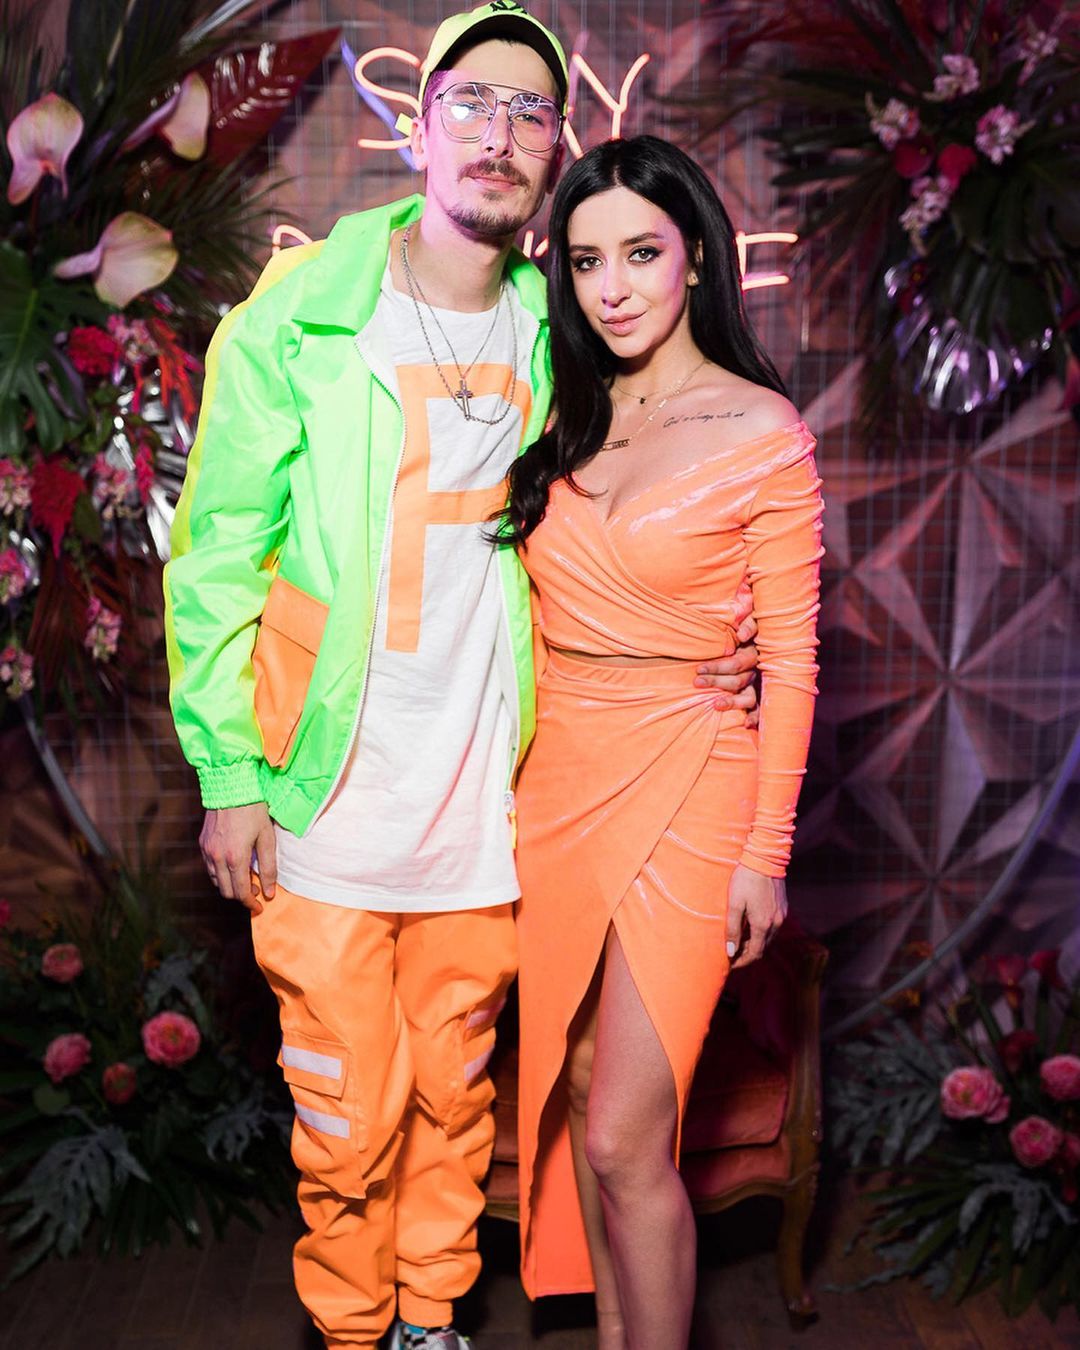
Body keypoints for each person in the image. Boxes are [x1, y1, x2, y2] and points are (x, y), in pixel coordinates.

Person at [164, 8, 758, 1347]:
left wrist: (716, 650)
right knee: (345, 1108)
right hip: (321, 800)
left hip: (496, 812)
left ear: (557, 148)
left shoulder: (569, 334)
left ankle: (430, 1318)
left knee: (456, 1098)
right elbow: (215, 560)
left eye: (532, 111)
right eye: (474, 103)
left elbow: (661, 503)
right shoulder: (301, 318)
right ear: (420, 121)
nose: (501, 133)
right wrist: (229, 774)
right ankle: (351, 1328)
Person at [504, 135, 824, 1350]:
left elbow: (792, 661)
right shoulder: (564, 411)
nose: (613, 287)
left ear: (696, 256)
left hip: (693, 779)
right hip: (557, 781)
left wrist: (765, 853)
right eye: (586, 261)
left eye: (641, 252)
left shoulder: (760, 426)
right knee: (583, 1087)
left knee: (624, 1135)